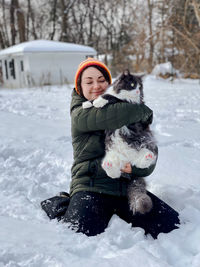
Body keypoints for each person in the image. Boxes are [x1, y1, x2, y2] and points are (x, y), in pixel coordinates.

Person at [63, 58, 180, 238]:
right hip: (90, 186)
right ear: (80, 87)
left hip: (125, 189)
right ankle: (61, 203)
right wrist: (144, 111)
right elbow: (113, 115)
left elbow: (150, 152)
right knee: (80, 232)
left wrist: (134, 167)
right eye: (89, 81)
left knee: (173, 226)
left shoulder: (126, 104)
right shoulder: (80, 114)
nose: (96, 86)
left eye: (102, 80)